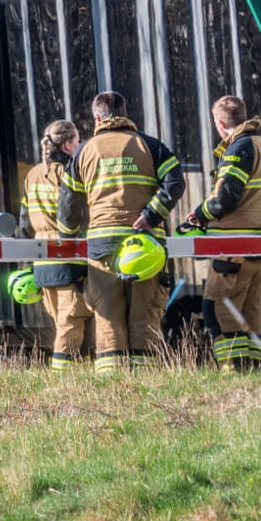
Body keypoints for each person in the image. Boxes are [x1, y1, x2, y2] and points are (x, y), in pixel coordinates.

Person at [56, 92, 185, 373]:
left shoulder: (83, 152)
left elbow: (68, 205)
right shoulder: (150, 146)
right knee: (145, 311)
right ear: (126, 112)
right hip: (146, 245)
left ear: (97, 118)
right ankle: (146, 378)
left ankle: (113, 380)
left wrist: (67, 240)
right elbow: (175, 182)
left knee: (107, 313)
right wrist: (151, 215)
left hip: (102, 244)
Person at [184, 95, 261, 370]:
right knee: (247, 313)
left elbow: (225, 198)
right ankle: (253, 369)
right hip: (256, 246)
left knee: (218, 311)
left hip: (233, 247)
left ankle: (233, 369)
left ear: (219, 122)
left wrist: (199, 214)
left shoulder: (238, 148)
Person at [18, 120, 92, 372]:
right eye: (78, 140)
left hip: (42, 262)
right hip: (69, 259)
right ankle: (63, 378)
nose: (80, 144)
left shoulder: (32, 175)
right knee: (71, 321)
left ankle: (74, 373)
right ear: (68, 144)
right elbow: (80, 214)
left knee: (62, 322)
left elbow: (24, 225)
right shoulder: (72, 173)